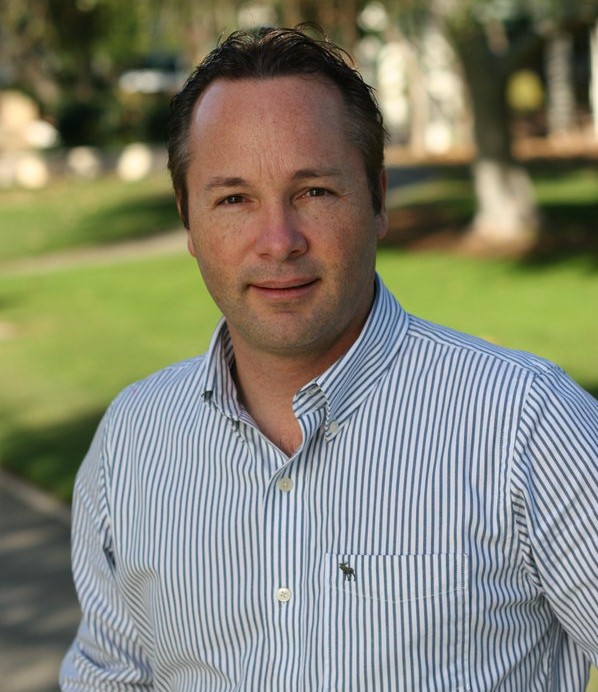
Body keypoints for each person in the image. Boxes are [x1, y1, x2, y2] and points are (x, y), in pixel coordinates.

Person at [60, 26, 598, 691]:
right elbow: (110, 678)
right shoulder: (132, 443)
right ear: (187, 220)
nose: (279, 241)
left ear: (377, 199)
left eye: (313, 191)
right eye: (234, 199)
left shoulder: (526, 427)